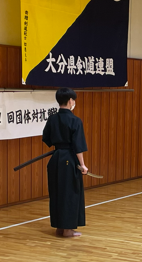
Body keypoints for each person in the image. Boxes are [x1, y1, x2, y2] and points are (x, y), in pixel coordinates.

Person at [42, 87, 88, 237]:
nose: (73, 102)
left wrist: (59, 144)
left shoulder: (52, 119)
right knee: (69, 193)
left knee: (57, 192)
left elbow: (46, 139)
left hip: (56, 159)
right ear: (70, 101)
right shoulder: (75, 120)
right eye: (73, 100)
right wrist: (82, 165)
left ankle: (59, 228)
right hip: (69, 159)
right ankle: (67, 230)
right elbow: (78, 146)